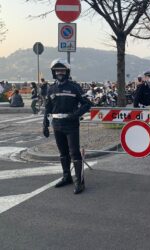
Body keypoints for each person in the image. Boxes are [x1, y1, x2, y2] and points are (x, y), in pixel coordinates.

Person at [43, 58, 91, 194]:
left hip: (71, 125)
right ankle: (66, 177)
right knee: (63, 153)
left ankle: (79, 182)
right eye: (57, 70)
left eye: (62, 70)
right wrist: (45, 124)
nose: (60, 72)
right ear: (53, 72)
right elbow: (48, 108)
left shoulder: (74, 87)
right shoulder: (51, 88)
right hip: (57, 125)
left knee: (74, 153)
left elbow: (87, 104)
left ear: (67, 71)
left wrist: (75, 115)